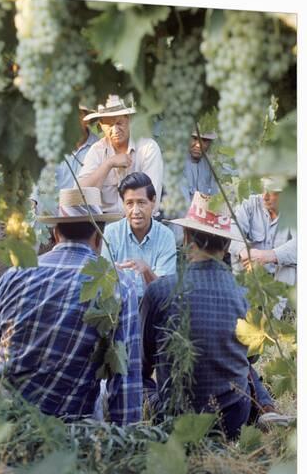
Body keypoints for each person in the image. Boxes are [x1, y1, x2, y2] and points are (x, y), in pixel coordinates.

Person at [0, 187, 143, 425]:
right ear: (99, 238)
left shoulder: (14, 275)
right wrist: (127, 442)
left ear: (56, 234)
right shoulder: (120, 285)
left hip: (1, 420)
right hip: (67, 428)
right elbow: (124, 381)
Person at [140, 192, 286, 439]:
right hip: (231, 420)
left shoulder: (159, 290)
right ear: (227, 245)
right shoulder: (245, 295)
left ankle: (266, 409)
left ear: (186, 239)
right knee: (243, 367)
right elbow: (251, 356)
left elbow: (143, 362)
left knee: (137, 379)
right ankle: (265, 408)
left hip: (173, 419)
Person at [77, 94, 164, 215]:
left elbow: (152, 201)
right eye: (109, 125)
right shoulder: (97, 150)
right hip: (105, 225)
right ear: (101, 125)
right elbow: (78, 195)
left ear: (129, 119)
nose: (115, 130)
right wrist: (108, 164)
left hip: (141, 222)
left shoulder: (148, 148)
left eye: (119, 123)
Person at [101, 172, 176, 300]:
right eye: (129, 203)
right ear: (123, 204)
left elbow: (165, 294)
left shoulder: (166, 236)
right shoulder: (110, 233)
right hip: (119, 309)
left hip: (154, 310)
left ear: (153, 202)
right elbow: (104, 284)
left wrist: (146, 270)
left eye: (141, 203)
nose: (135, 211)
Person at [229, 177, 297, 286]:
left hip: (280, 280)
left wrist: (268, 255)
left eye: (272, 192)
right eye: (264, 189)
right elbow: (233, 227)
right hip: (250, 274)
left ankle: (280, 301)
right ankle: (241, 292)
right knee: (237, 252)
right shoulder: (249, 204)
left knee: (290, 267)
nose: (265, 197)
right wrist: (245, 252)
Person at [55, 104, 99, 190]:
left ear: (87, 119)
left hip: (88, 202)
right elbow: (40, 182)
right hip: (55, 202)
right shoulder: (53, 145)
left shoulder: (99, 147)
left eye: (77, 114)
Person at [180, 127, 218, 205]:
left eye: (204, 140)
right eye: (194, 138)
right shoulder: (177, 164)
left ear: (210, 143)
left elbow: (216, 198)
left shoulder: (212, 165)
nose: (198, 145)